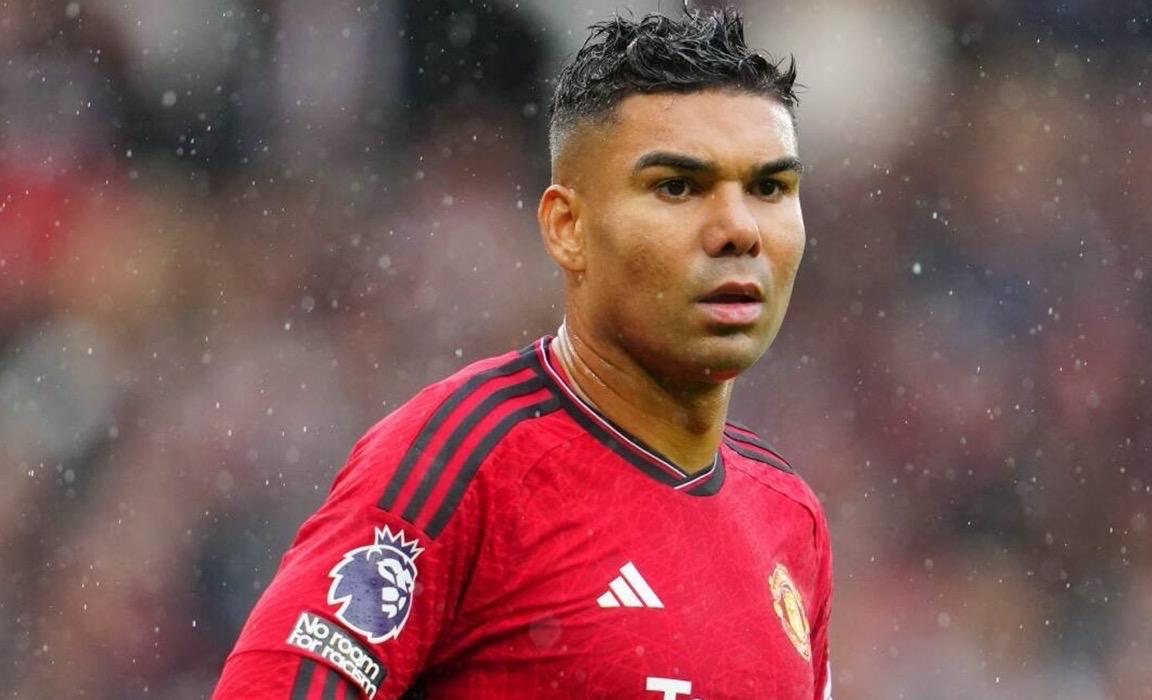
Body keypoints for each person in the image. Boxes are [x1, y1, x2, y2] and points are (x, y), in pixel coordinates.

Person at [212, 7, 832, 699]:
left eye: (769, 188)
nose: (739, 230)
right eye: (677, 187)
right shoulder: (457, 460)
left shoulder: (789, 517)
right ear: (568, 227)